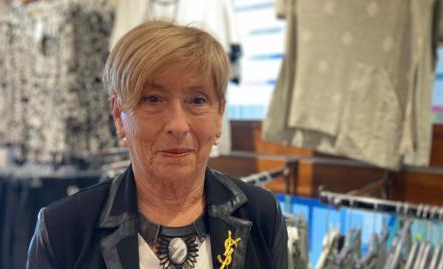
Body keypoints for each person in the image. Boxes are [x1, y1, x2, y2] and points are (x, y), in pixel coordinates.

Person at [27, 20, 288, 269]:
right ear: (119, 115)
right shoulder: (63, 229)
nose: (177, 125)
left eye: (197, 101)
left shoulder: (261, 215)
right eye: (153, 99)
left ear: (219, 115)